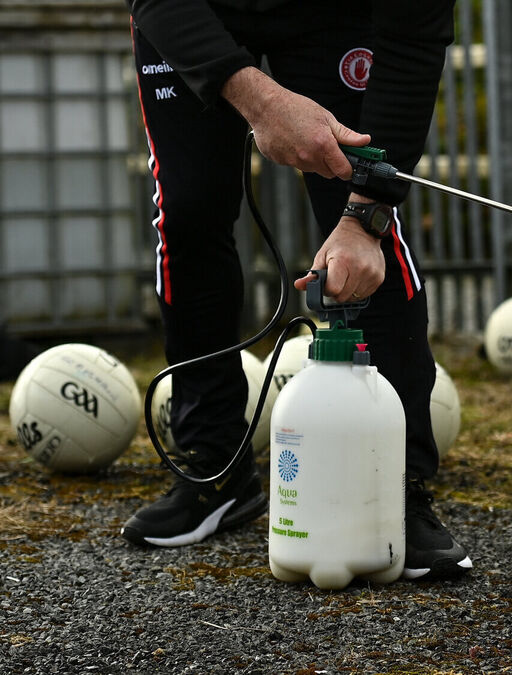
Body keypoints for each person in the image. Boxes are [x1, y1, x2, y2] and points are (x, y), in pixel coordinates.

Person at [121, 0, 471, 581]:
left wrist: (365, 217)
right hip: (198, 8)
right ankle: (215, 465)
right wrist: (262, 104)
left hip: (332, 14)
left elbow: (414, 42)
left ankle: (397, 485)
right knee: (189, 212)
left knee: (357, 204)